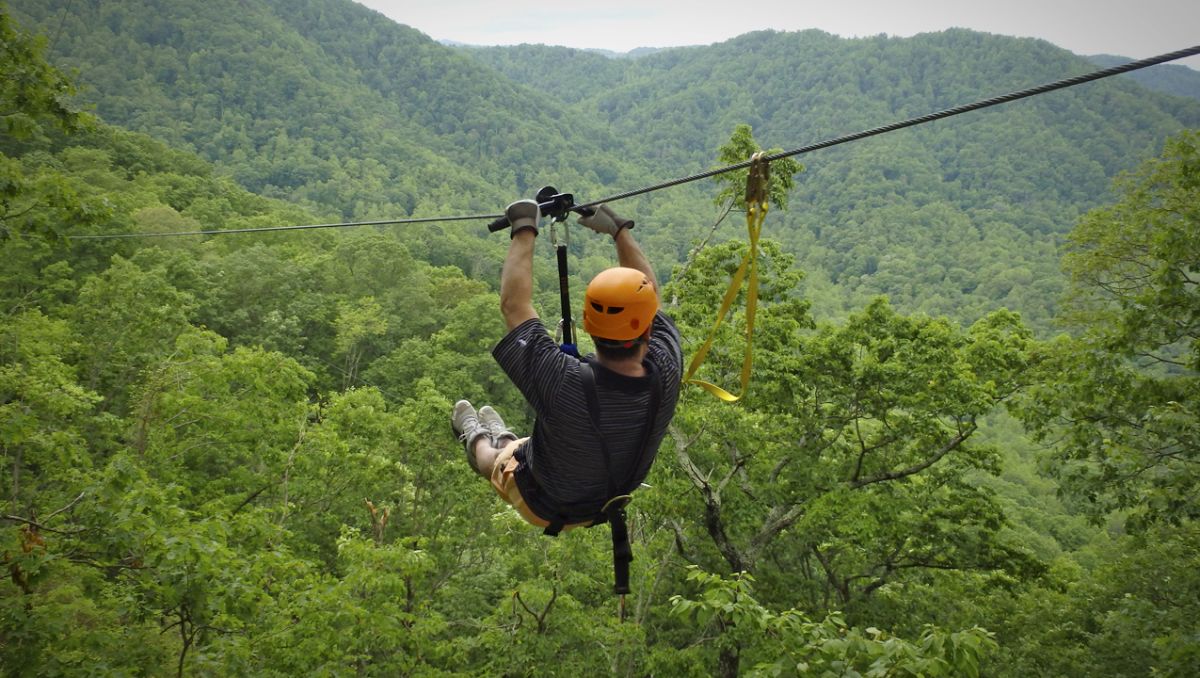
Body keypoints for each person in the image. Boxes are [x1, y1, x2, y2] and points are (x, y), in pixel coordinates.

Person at [451, 199, 683, 542]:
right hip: (605, 497)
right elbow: (651, 296)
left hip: (544, 503)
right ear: (648, 330)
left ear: (588, 325)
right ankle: (504, 438)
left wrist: (524, 228)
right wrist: (620, 231)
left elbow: (514, 305)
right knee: (536, 443)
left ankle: (475, 437)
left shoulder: (563, 382)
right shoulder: (667, 365)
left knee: (500, 461)